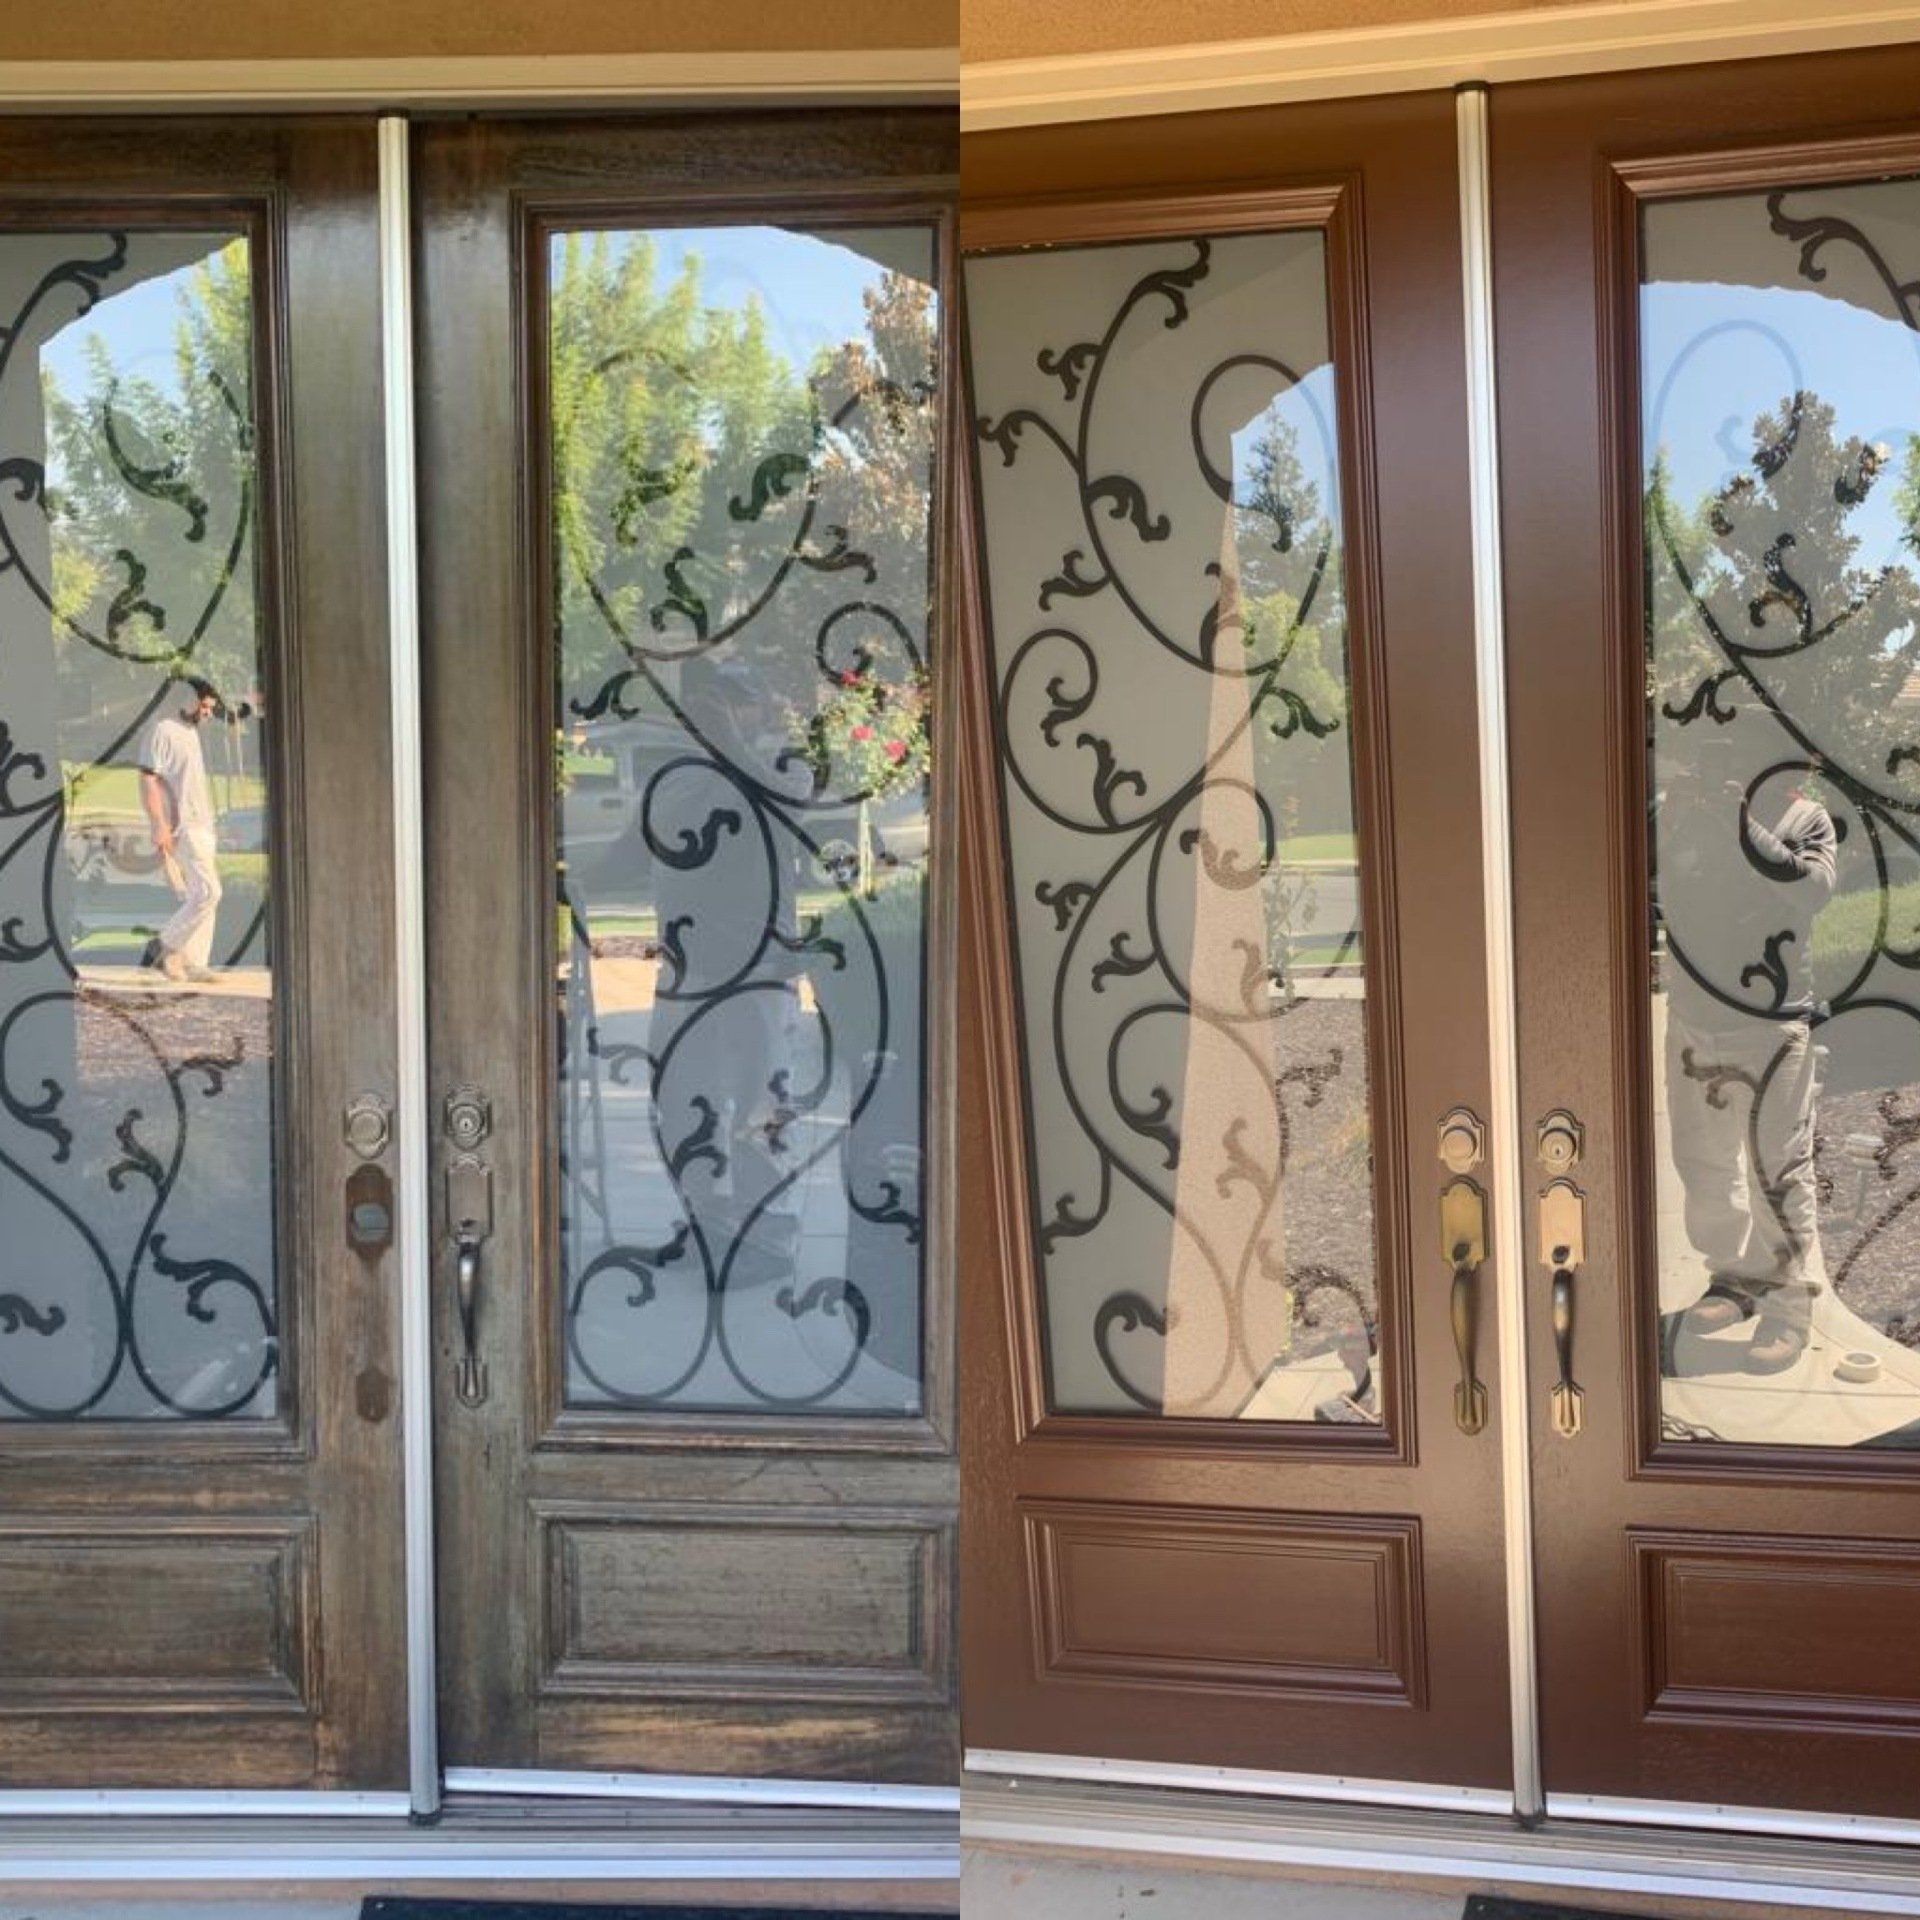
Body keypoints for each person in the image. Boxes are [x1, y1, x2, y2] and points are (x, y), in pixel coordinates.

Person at [1662, 754, 1836, 1374]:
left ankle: (1789, 1307)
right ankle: (1735, 1281)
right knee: (1703, 1164)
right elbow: (1659, 895)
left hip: (1773, 1028)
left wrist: (1742, 825)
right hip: (1693, 1020)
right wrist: (1673, 819)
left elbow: (1809, 893)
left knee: (1778, 1173)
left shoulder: (1805, 818)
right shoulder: (1685, 818)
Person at [139, 676, 223, 984]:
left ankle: (195, 962)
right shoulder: (162, 730)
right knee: (209, 892)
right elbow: (149, 780)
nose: (208, 714)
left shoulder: (191, 732)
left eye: (211, 708)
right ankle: (165, 946)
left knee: (201, 894)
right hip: (183, 827)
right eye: (204, 706)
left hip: (203, 825)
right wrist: (158, 823)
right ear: (187, 700)